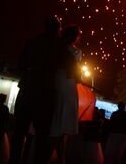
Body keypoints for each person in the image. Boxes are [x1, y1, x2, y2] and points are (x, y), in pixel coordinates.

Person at [10, 16, 62, 164]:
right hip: (44, 92)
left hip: (27, 88)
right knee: (42, 134)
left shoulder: (32, 42)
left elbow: (20, 63)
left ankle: (14, 160)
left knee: (19, 132)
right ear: (57, 29)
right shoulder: (59, 46)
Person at [49, 24, 82, 164]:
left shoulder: (55, 47)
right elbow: (76, 71)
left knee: (55, 117)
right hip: (68, 83)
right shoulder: (76, 52)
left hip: (56, 80)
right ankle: (60, 158)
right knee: (64, 120)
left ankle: (57, 156)